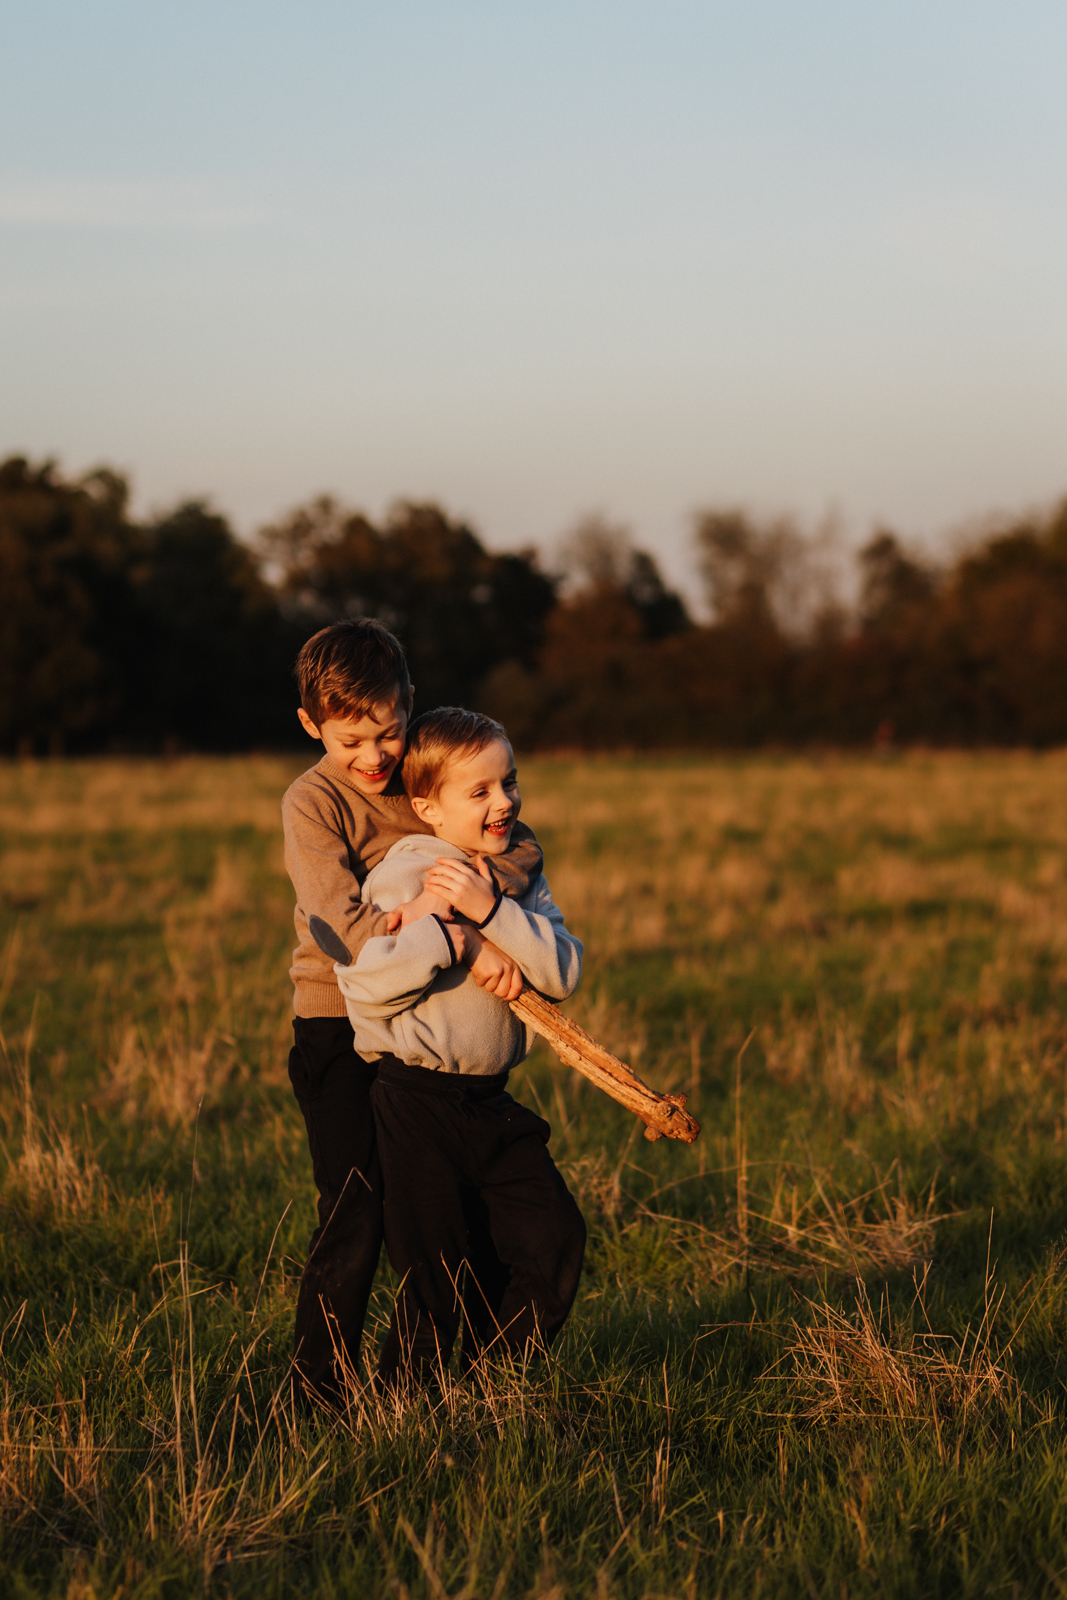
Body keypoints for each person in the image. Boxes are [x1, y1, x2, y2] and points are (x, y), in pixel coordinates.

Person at [283, 621, 544, 1404]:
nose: (373, 757)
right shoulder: (312, 800)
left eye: (388, 733)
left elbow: (518, 845)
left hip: (421, 1033)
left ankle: (422, 1384)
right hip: (336, 1022)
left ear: (408, 710)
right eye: (350, 739)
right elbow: (341, 923)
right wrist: (458, 939)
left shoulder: (422, 775)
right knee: (355, 1204)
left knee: (434, 1215)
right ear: (311, 727)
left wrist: (481, 898)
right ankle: (316, 1392)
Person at [315, 706, 586, 1387]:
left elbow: (563, 972)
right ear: (427, 808)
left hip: (490, 1104)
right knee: (435, 1275)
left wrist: (491, 913)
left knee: (554, 1241)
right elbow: (367, 987)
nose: (504, 802)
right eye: (481, 791)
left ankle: (489, 1382)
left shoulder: (515, 876)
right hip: (414, 1103)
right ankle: (405, 1411)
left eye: (510, 782)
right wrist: (449, 937)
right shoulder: (405, 877)